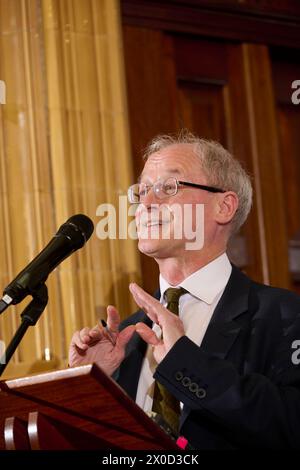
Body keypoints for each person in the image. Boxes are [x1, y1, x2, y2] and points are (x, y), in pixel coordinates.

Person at [69, 132, 300, 449]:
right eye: (142, 191)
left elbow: (290, 424)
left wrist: (185, 363)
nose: (145, 204)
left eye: (168, 188)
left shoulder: (284, 316)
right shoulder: (126, 337)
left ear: (224, 206)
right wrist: (93, 387)